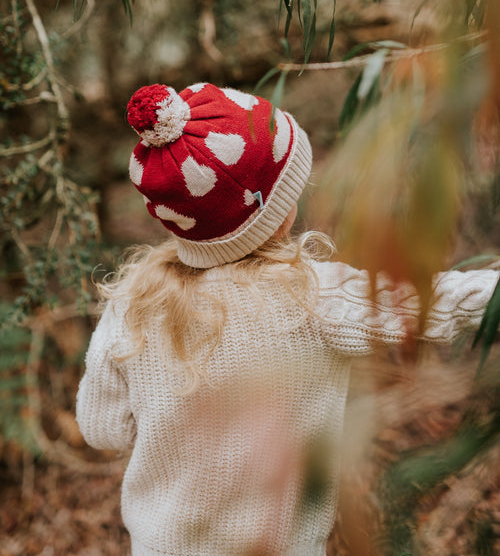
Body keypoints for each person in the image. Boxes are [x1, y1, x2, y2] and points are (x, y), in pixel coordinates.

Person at [76, 82, 497, 556]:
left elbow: (103, 430)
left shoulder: (132, 304)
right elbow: (429, 303)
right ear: (266, 213)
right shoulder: (311, 297)